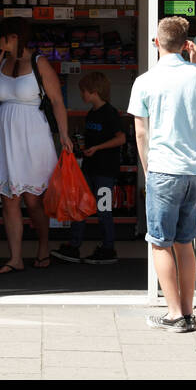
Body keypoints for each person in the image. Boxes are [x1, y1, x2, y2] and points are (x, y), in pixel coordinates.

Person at [128, 16, 196, 333]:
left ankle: (173, 313)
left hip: (164, 168)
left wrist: (147, 167)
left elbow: (141, 132)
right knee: (185, 242)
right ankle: (189, 312)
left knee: (160, 243)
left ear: (157, 43)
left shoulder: (145, 81)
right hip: (195, 170)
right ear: (185, 45)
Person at [0, 17, 72, 274]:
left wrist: (64, 135)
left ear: (16, 37)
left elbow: (57, 102)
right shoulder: (3, 62)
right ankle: (15, 257)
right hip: (6, 134)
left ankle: (43, 245)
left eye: (3, 37)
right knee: (9, 199)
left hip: (33, 134)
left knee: (33, 201)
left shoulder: (39, 62)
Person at [53, 71, 124, 265]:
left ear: (94, 91)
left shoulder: (110, 113)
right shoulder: (91, 113)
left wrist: (97, 148)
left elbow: (121, 138)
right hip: (90, 169)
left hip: (105, 172)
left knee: (104, 210)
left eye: (83, 91)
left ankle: (108, 248)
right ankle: (74, 245)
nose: (82, 95)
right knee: (79, 207)